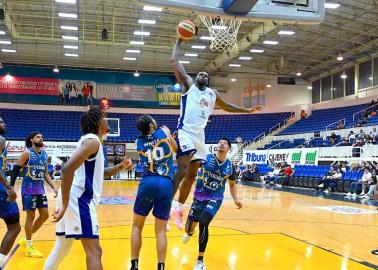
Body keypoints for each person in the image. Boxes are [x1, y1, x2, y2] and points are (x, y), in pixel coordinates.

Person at [170, 38, 261, 229]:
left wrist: (248, 110)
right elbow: (175, 62)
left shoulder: (212, 94)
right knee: (184, 169)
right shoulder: (189, 86)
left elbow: (227, 107)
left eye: (205, 73)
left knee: (192, 176)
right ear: (195, 79)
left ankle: (178, 208)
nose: (202, 74)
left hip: (200, 137)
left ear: (208, 80)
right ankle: (166, 207)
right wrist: (179, 40)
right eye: (199, 73)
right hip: (185, 131)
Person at [44, 107, 133, 270]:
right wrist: (64, 205)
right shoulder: (93, 141)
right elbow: (66, 170)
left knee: (62, 247)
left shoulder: (89, 141)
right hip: (79, 199)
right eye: (105, 117)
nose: (107, 119)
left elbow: (98, 174)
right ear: (99, 122)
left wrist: (120, 166)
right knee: (95, 251)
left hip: (73, 196)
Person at [181, 138, 242, 270]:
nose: (221, 144)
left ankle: (200, 261)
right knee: (189, 227)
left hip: (215, 198)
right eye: (219, 142)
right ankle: (190, 232)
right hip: (198, 198)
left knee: (203, 222)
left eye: (224, 143)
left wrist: (235, 199)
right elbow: (190, 170)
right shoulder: (205, 159)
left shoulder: (230, 166)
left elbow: (232, 185)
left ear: (229, 149)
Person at [130, 115, 177, 270]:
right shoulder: (164, 131)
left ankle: (134, 265)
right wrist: (170, 136)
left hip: (147, 182)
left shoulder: (138, 142)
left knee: (137, 227)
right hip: (165, 183)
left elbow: (149, 143)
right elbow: (176, 149)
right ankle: (161, 267)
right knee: (161, 231)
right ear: (151, 125)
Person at [10, 131, 58, 258]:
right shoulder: (27, 153)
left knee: (45, 215)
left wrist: (54, 187)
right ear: (32, 140)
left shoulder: (44, 154)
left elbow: (46, 173)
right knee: (30, 217)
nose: (41, 138)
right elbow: (15, 170)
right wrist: (11, 187)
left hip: (40, 189)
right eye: (38, 137)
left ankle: (26, 238)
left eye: (42, 137)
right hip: (29, 190)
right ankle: (29, 247)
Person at [0, 114, 21, 266]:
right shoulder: (0, 140)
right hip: (1, 189)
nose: (4, 123)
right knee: (14, 226)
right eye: (0, 122)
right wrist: (8, 186)